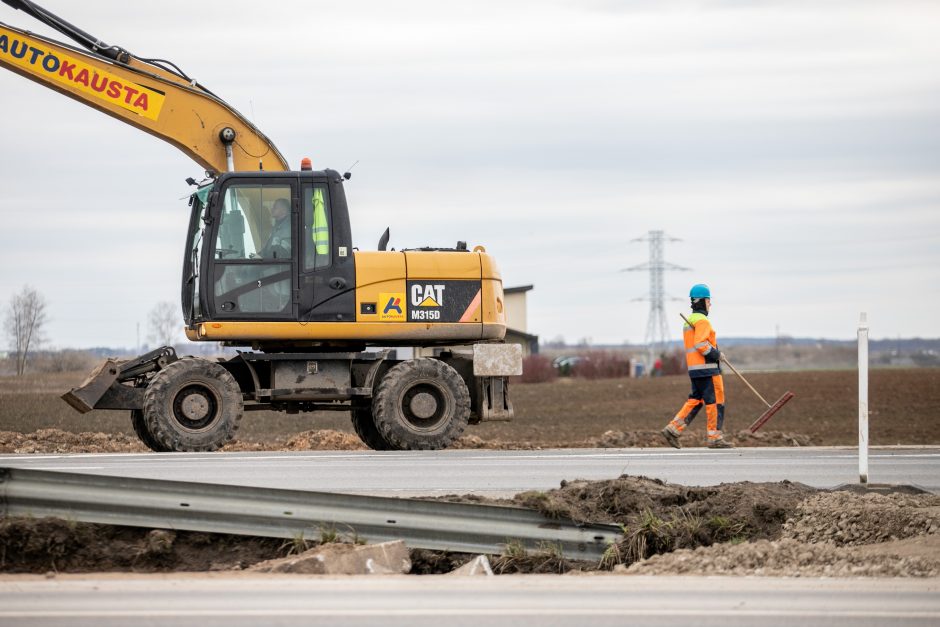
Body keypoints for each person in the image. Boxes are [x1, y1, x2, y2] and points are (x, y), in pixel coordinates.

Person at [661, 283, 732, 449]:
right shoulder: (703, 321)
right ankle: (715, 437)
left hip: (694, 370)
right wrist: (717, 354)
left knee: (695, 400)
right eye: (708, 300)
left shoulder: (690, 321)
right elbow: (701, 344)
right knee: (715, 401)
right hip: (708, 370)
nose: (710, 304)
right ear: (703, 301)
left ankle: (673, 429)